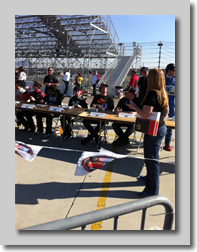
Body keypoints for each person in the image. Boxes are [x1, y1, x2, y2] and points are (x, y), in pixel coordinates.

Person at [127, 69, 169, 197]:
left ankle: (151, 190)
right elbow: (166, 112)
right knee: (151, 158)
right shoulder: (163, 93)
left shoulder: (152, 93)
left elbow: (145, 114)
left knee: (151, 159)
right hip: (160, 128)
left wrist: (134, 106)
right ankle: (150, 178)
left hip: (153, 130)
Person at [164, 63, 175, 151]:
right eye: (174, 71)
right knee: (158, 124)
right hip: (161, 106)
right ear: (169, 70)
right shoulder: (161, 79)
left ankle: (167, 143)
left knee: (170, 125)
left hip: (171, 106)